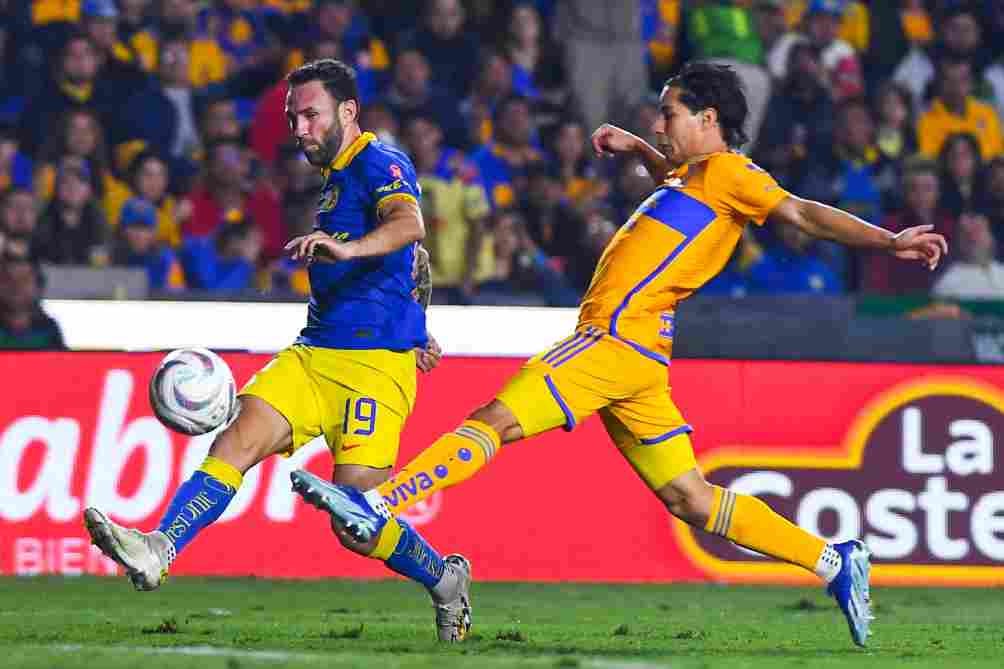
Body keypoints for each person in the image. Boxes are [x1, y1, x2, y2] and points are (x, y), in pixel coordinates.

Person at [291, 62, 947, 648]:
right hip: (639, 357)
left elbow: (801, 213)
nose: (659, 124)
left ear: (709, 119)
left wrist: (890, 242)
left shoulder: (732, 173)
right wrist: (639, 147)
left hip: (611, 338)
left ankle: (378, 505)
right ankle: (835, 560)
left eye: (669, 114)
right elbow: (678, 176)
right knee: (691, 498)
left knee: (495, 418)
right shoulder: (697, 175)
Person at [82, 58, 473, 643]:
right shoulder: (337, 176)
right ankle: (158, 548)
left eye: (311, 114)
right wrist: (417, 317)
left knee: (357, 522)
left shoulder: (379, 161)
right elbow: (411, 263)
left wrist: (349, 254)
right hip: (314, 353)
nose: (299, 128)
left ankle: (443, 580)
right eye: (293, 117)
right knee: (236, 440)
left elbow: (409, 227)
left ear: (347, 111)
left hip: (372, 369)